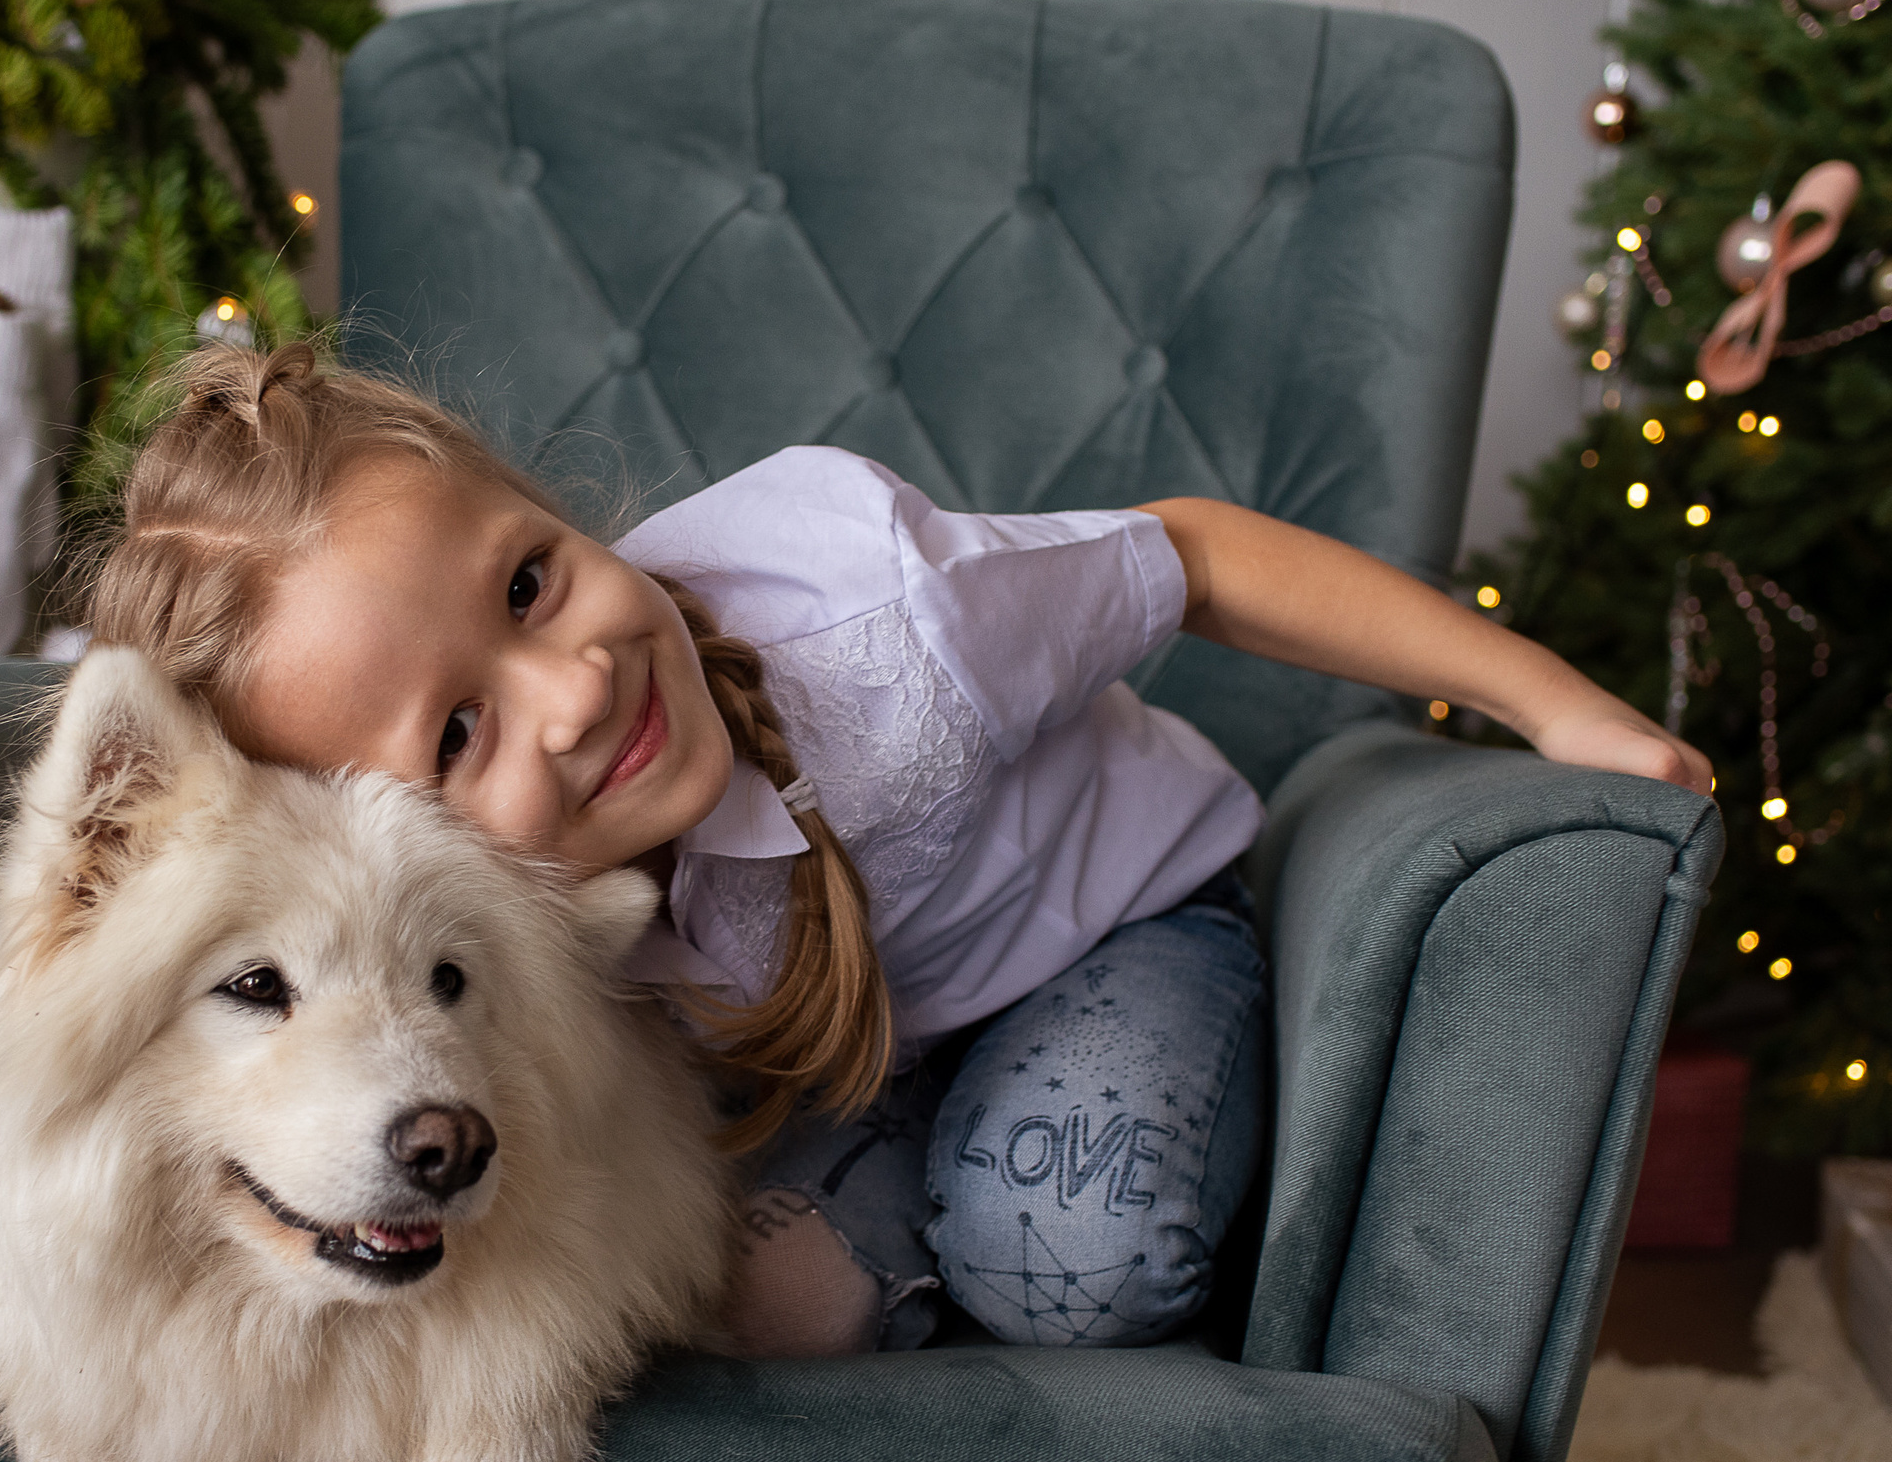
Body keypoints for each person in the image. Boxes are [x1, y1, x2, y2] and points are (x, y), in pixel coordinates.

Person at [84, 340, 1709, 1359]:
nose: (575, 690)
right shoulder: (464, 933)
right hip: (859, 1067)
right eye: (457, 735)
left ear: (550, 510)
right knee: (730, 1321)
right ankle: (923, 1211)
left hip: (1119, 934)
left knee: (1066, 1248)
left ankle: (1073, 1183)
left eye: (528, 583)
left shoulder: (882, 618)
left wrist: (1551, 704)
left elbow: (1200, 556)